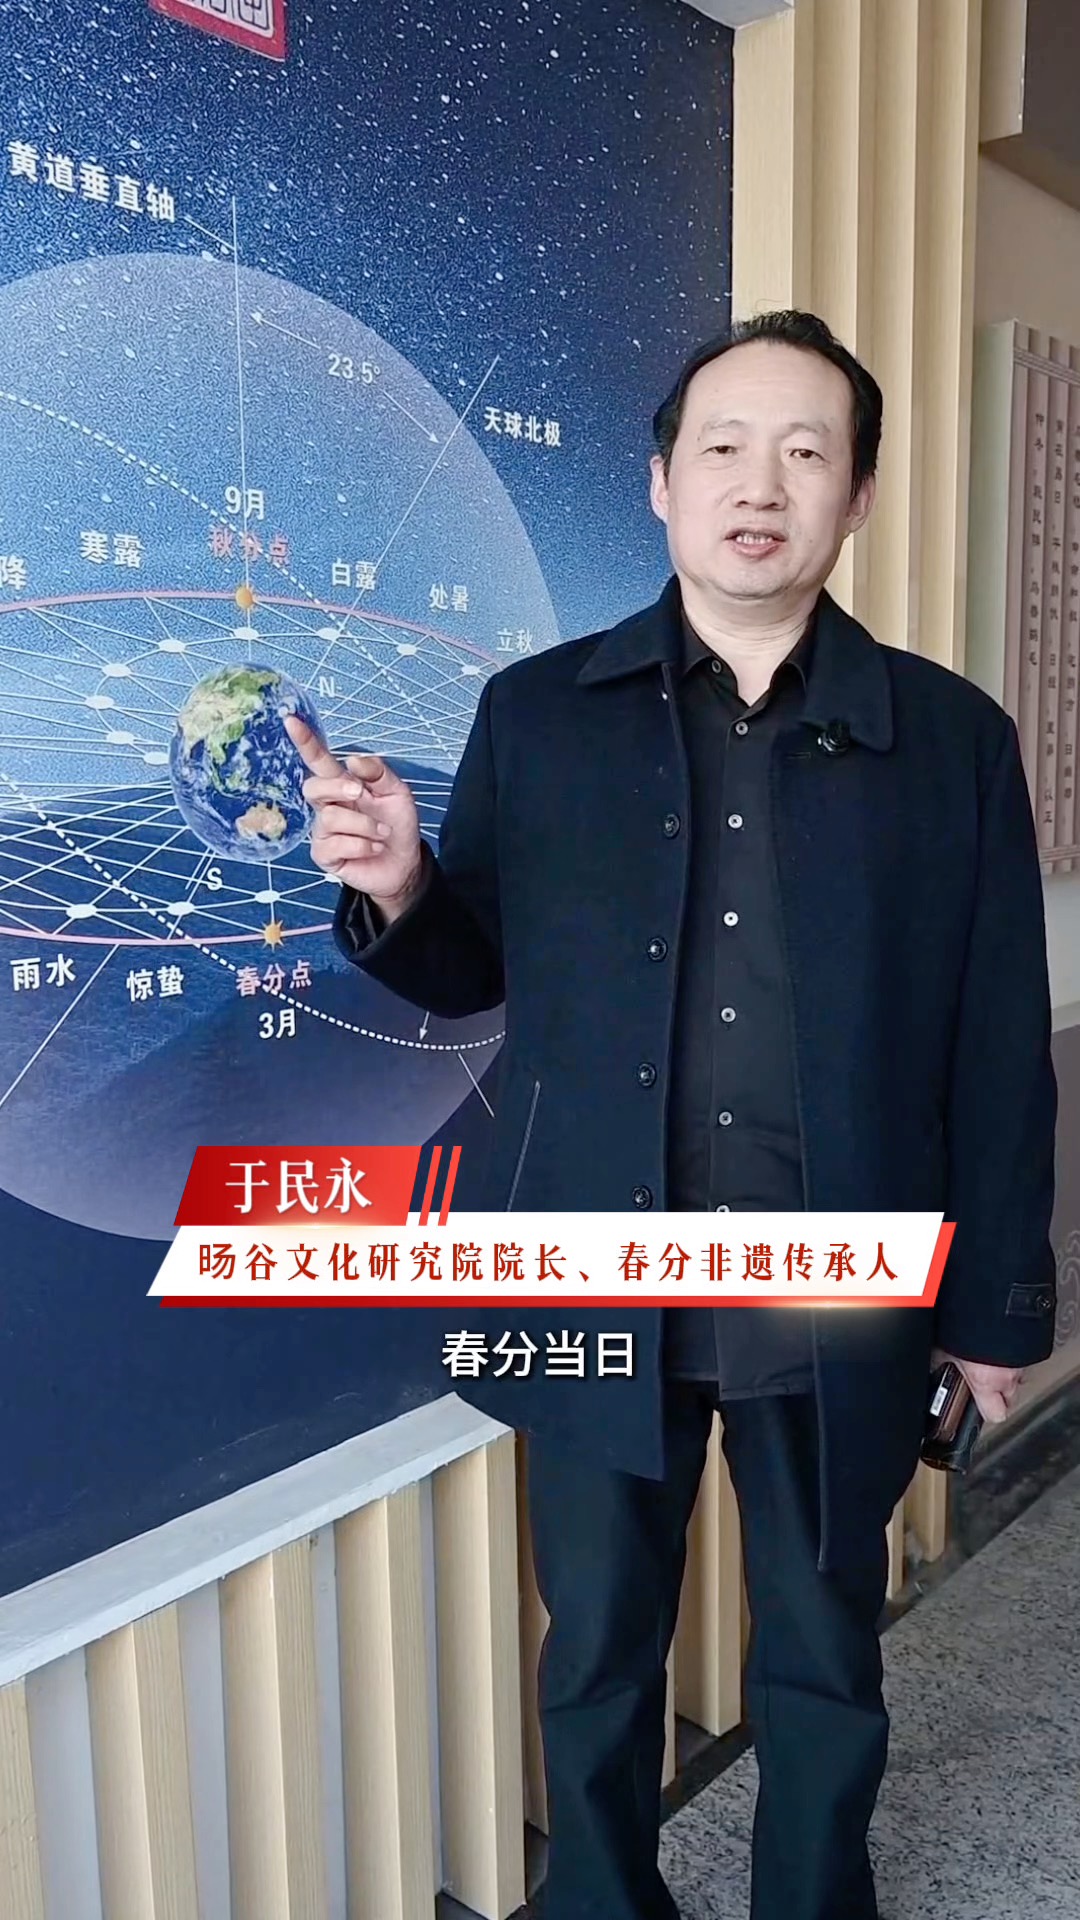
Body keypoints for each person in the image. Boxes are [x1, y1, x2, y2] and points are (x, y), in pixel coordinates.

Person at [286, 310, 1058, 1920]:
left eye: (805, 451)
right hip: (588, 1261)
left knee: (826, 1649)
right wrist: (402, 884)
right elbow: (474, 970)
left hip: (837, 1280)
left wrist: (997, 1306)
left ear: (857, 495)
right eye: (723, 446)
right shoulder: (540, 712)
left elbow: (997, 1044)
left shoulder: (951, 742)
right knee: (597, 1649)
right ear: (661, 482)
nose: (758, 484)